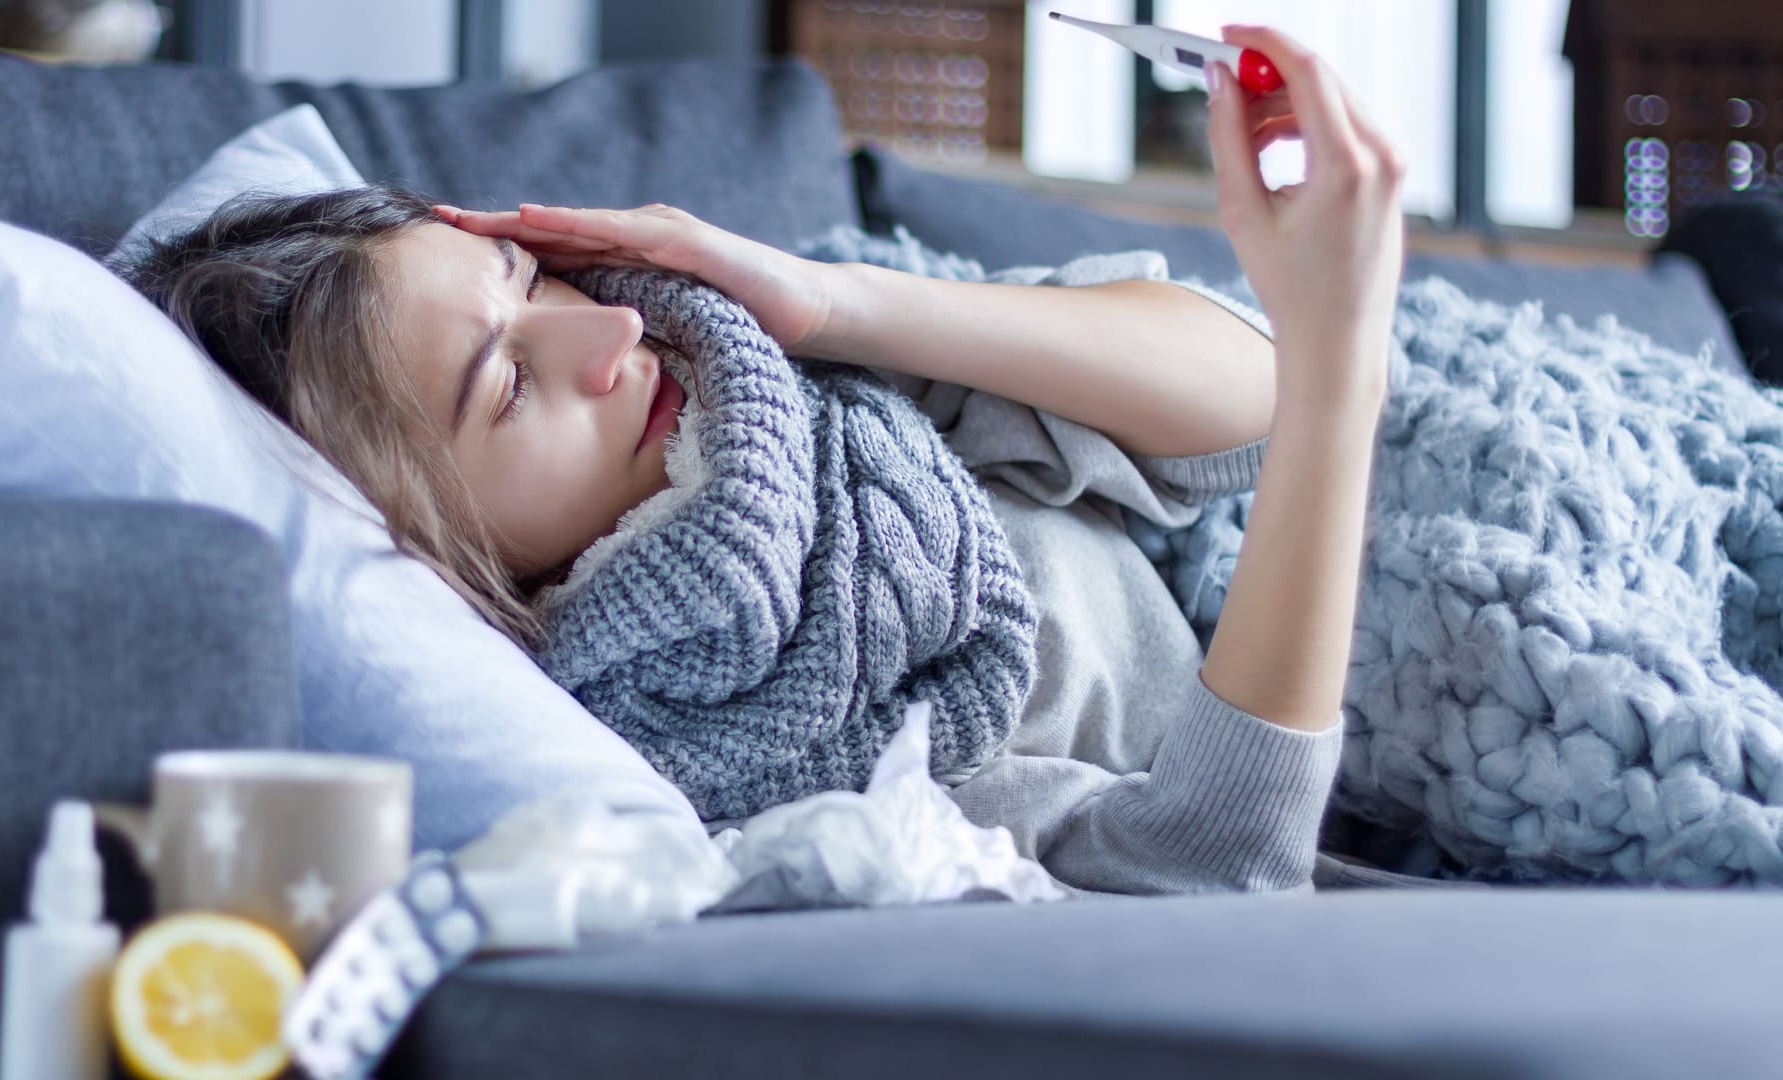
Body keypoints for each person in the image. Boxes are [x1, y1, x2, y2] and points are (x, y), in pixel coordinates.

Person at [123, 26, 1435, 892]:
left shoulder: (776, 380)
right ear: (409, 537)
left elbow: (1239, 399)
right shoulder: (753, 759)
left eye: (528, 279)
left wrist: (831, 303)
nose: (608, 330)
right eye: (509, 382)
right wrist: (1340, 362)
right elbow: (1210, 873)